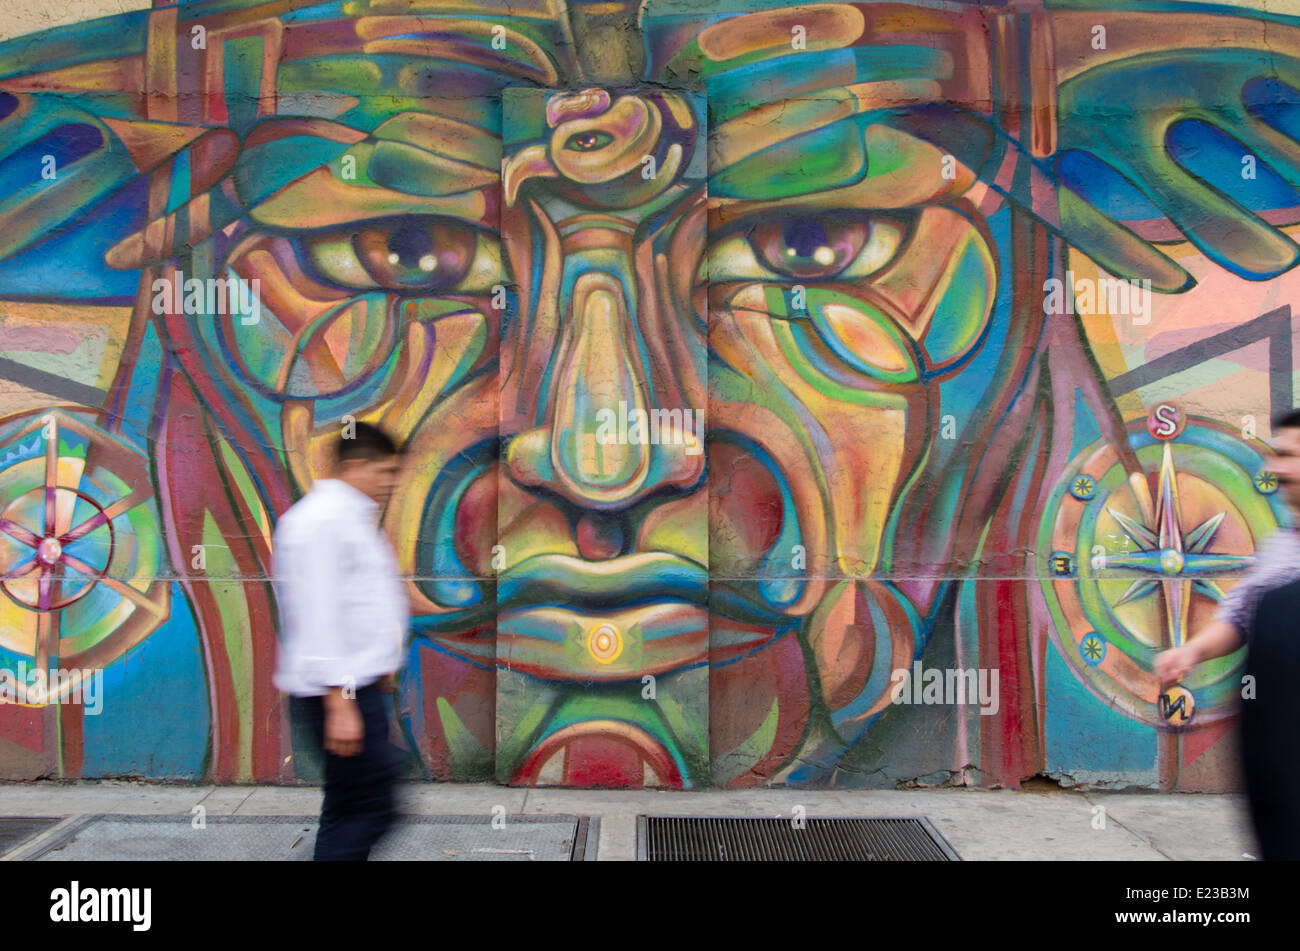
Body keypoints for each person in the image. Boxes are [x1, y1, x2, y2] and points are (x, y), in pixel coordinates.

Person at [1155, 408, 1300, 860]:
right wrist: (1192, 650)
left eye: (1288, 456)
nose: (1274, 468)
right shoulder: (1281, 548)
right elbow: (1238, 617)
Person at [272, 422, 408, 861]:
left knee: (349, 805)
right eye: (384, 471)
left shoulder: (346, 517)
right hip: (340, 693)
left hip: (356, 686)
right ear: (355, 466)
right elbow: (316, 611)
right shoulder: (321, 522)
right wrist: (339, 701)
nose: (390, 482)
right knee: (375, 806)